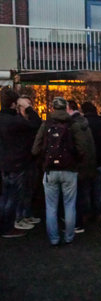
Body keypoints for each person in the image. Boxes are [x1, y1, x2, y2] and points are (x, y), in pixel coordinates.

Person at [32, 97, 86, 246]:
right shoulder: (73, 124)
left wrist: (43, 161)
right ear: (66, 107)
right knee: (69, 205)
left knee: (51, 206)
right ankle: (69, 237)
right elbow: (82, 148)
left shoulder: (46, 124)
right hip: (69, 170)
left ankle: (54, 239)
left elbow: (35, 149)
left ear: (53, 108)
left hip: (50, 170)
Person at [0, 89, 42, 238]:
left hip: (4, 163)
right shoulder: (15, 121)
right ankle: (7, 228)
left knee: (4, 197)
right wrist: (29, 108)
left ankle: (4, 226)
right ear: (14, 104)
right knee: (12, 198)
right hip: (17, 163)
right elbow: (36, 123)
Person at [67, 100, 97, 233]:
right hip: (88, 165)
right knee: (83, 193)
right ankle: (83, 219)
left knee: (75, 196)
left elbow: (79, 148)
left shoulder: (73, 125)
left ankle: (77, 223)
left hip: (78, 166)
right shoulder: (84, 123)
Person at [81, 101, 101, 221]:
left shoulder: (83, 124)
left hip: (87, 161)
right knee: (97, 188)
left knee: (86, 188)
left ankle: (87, 212)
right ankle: (98, 212)